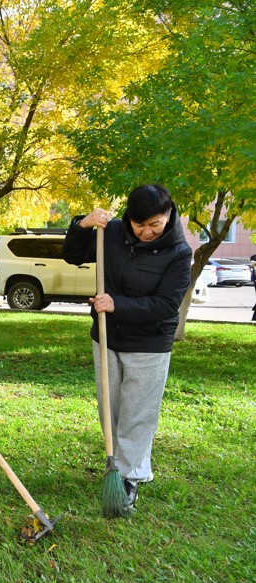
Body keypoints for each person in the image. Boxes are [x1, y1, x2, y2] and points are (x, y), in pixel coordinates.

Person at [62, 184, 192, 509]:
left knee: (137, 412)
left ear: (168, 216)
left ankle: (129, 477)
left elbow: (165, 305)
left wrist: (116, 304)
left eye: (155, 225)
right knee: (112, 408)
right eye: (140, 225)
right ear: (129, 219)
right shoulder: (113, 233)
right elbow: (73, 255)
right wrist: (82, 224)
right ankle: (119, 465)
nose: (147, 232)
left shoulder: (179, 252)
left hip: (149, 343)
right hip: (107, 336)